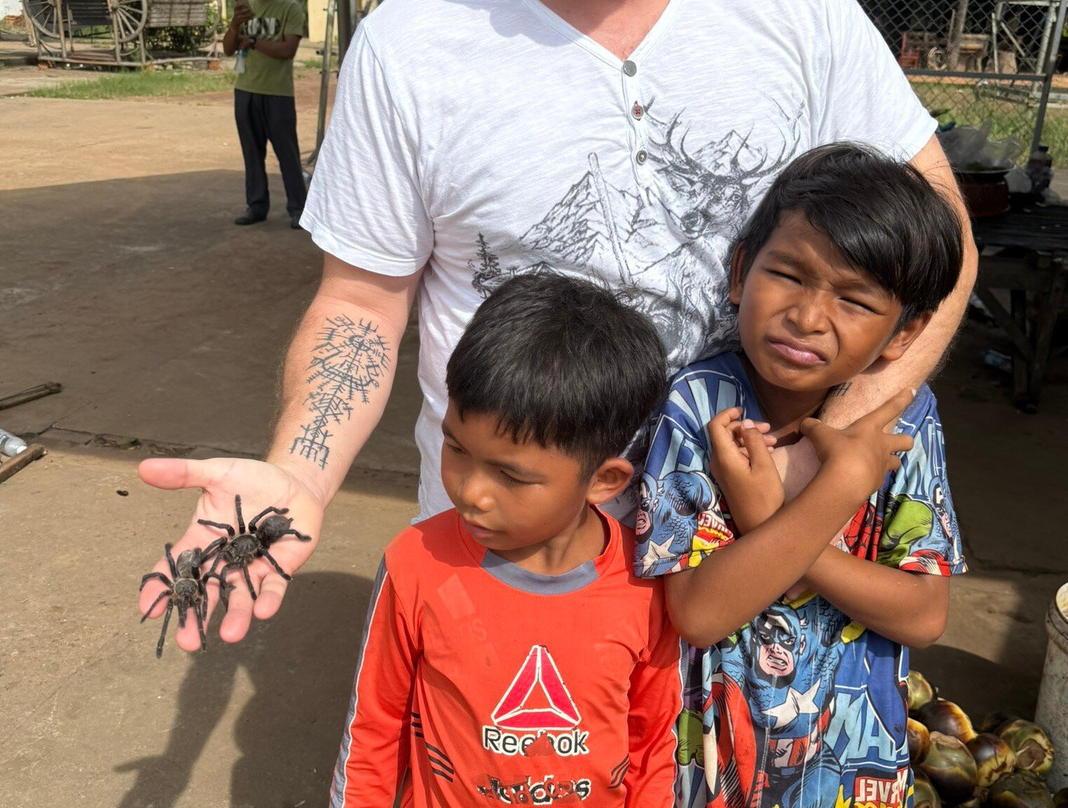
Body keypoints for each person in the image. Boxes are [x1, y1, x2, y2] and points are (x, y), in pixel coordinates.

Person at [137, 0, 977, 654]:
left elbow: (942, 239)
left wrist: (820, 454)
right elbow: (363, 300)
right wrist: (300, 476)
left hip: (741, 559)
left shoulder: (803, 15)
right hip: (515, 552)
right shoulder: (409, 42)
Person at [633, 143, 967, 808]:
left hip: (852, 775)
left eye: (854, 300)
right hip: (707, 774)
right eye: (788, 274)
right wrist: (837, 490)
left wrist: (770, 520)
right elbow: (697, 613)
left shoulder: (907, 421)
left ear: (906, 333)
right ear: (739, 272)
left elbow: (924, 616)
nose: (809, 316)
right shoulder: (701, 406)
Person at [329, 273, 682, 806]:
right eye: (455, 448)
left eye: (512, 477)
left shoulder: (646, 582)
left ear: (603, 481)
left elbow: (654, 742)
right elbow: (373, 731)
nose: (472, 493)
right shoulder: (415, 564)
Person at [222, 0, 307, 228]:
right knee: (252, 153)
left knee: (287, 154)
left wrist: (252, 41)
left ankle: (299, 210)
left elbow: (287, 50)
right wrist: (234, 25)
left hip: (278, 92)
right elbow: (228, 49)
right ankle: (256, 206)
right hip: (245, 90)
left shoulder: (291, 8)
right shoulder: (245, 7)